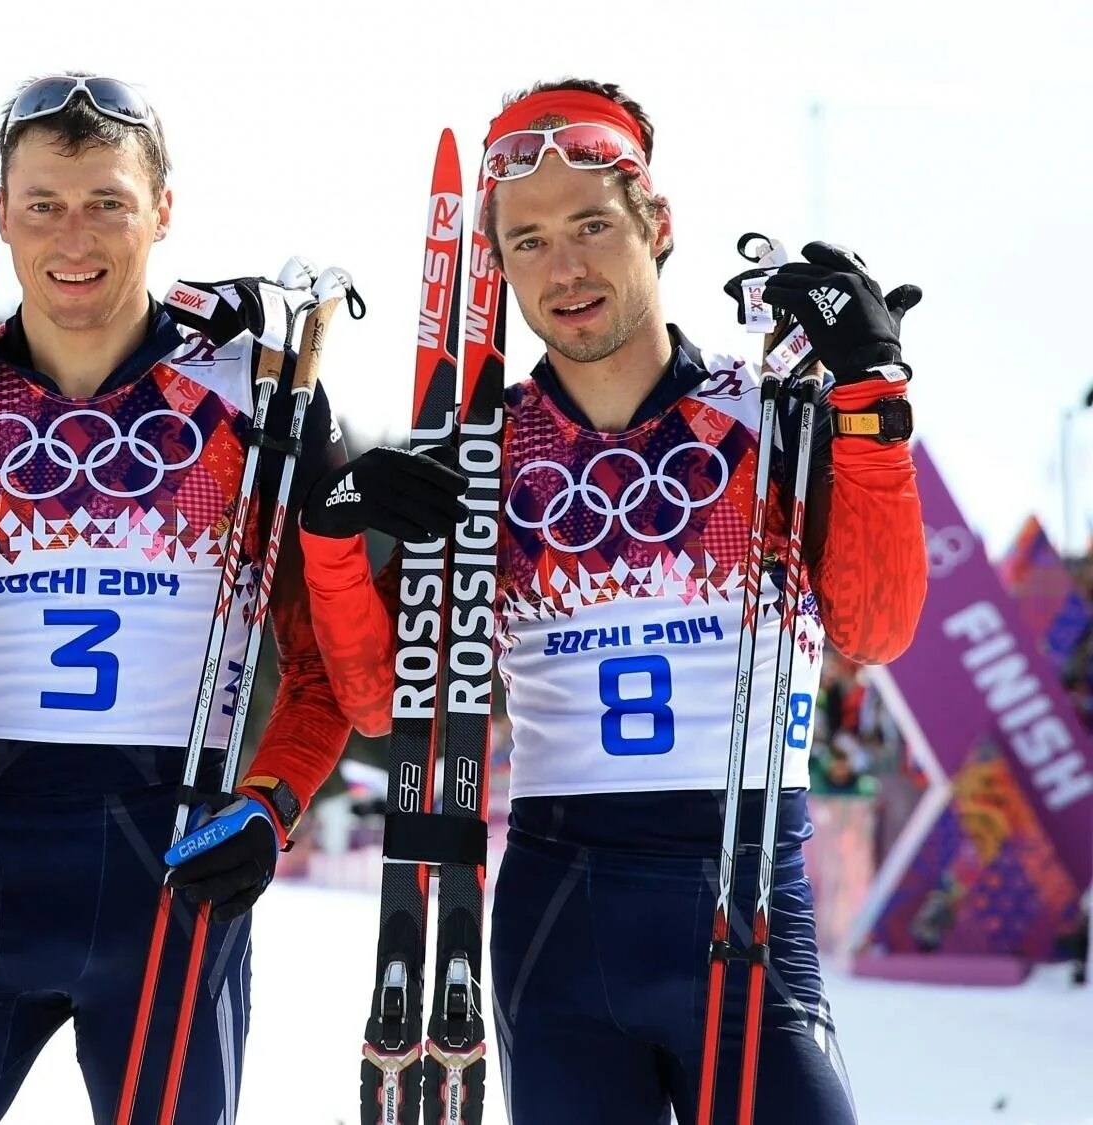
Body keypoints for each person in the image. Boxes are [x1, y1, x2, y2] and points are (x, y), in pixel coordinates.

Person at [296, 78, 928, 1124]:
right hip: (560, 935)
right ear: (494, 266)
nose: (565, 267)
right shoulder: (480, 457)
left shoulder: (768, 419)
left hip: (749, 918)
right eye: (528, 240)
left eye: (591, 224)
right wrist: (332, 542)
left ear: (656, 225)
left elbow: (876, 628)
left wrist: (870, 404)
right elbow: (376, 707)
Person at [0, 74, 420, 1124]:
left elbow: (323, 672)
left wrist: (267, 806)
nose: (70, 236)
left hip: (170, 859)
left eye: (106, 202)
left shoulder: (254, 404)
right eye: (40, 203)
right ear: (0, 215)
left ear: (162, 212)